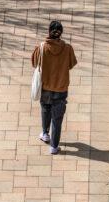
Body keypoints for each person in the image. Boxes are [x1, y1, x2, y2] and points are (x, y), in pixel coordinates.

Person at [31, 21, 77, 155]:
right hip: (61, 88)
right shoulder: (68, 48)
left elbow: (34, 63)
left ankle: (45, 133)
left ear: (49, 31)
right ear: (61, 33)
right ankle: (54, 146)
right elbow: (71, 64)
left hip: (45, 86)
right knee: (57, 119)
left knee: (45, 109)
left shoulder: (41, 47)